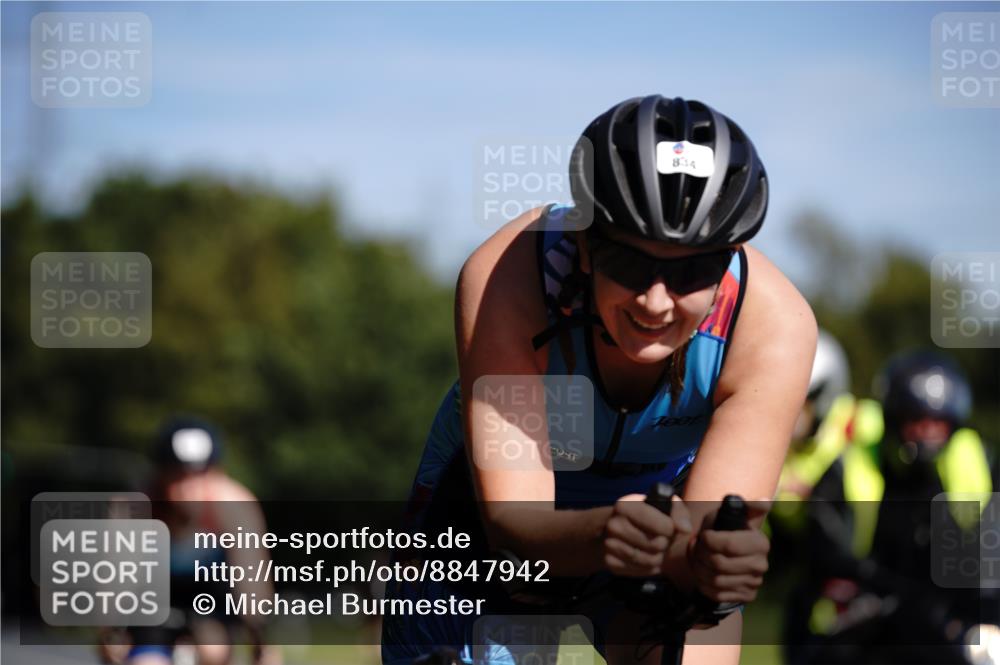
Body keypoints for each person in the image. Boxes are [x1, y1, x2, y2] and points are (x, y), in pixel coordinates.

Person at [381, 94, 817, 665]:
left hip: (655, 521)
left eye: (692, 270)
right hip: (493, 515)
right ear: (585, 245)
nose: (656, 301)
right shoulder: (508, 277)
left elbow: (709, 537)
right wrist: (604, 534)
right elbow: (513, 526)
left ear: (729, 258)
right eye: (630, 263)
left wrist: (718, 561)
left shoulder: (773, 325)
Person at [788, 351, 995, 664]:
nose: (927, 434)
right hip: (852, 630)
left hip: (944, 632)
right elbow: (825, 554)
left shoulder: (975, 468)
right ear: (894, 417)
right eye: (917, 421)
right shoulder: (851, 466)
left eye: (937, 424)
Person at [99, 417, 280, 665]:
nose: (188, 490)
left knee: (213, 650)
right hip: (153, 594)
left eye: (199, 476)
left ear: (218, 474)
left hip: (210, 593)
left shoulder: (235, 506)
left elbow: (252, 584)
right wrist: (109, 634)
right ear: (160, 475)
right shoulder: (134, 507)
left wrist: (260, 644)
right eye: (178, 476)